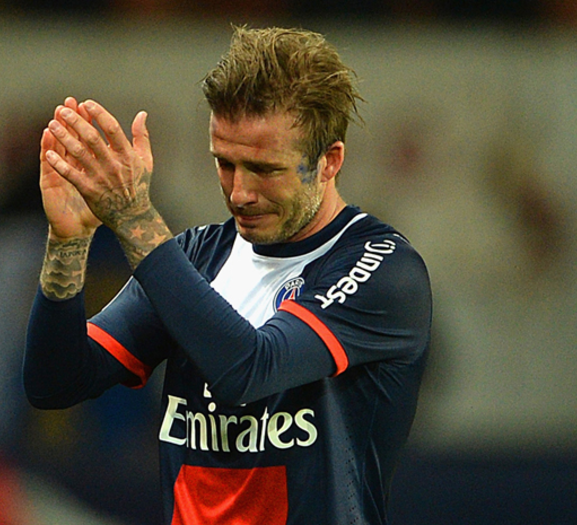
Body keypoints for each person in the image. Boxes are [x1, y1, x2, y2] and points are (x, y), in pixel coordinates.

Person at [24, 26, 432, 525]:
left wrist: (133, 219)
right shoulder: (197, 257)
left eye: (264, 169)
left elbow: (249, 370)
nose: (239, 192)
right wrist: (68, 242)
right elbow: (55, 383)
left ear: (329, 162)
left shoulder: (382, 268)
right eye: (225, 163)